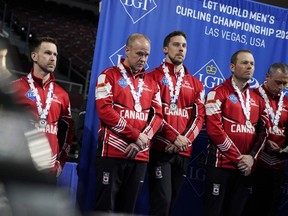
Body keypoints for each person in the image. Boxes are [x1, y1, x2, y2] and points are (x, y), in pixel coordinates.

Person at [94, 33, 163, 214]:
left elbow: (158, 117)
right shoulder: (108, 76)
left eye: (147, 55)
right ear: (127, 50)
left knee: (127, 210)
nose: (143, 59)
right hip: (111, 152)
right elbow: (105, 111)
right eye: (139, 53)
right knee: (104, 209)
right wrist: (136, 135)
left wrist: (142, 139)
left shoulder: (152, 82)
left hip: (139, 155)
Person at [202, 50, 268, 216]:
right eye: (245, 63)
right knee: (213, 212)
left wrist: (251, 158)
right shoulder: (217, 92)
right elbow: (214, 130)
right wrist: (239, 159)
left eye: (252, 64)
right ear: (232, 66)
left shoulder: (257, 99)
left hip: (245, 168)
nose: (249, 67)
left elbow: (263, 132)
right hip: (221, 165)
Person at [147, 30, 205, 216]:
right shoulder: (152, 77)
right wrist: (172, 139)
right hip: (160, 149)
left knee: (171, 203)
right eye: (176, 44)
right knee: (161, 202)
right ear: (165, 49)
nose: (181, 48)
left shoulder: (196, 84)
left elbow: (199, 118)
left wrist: (183, 141)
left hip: (183, 152)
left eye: (184, 46)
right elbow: (151, 114)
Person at [11, 36, 75, 178]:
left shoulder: (62, 95)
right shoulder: (15, 88)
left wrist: (60, 161)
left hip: (48, 170)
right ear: (34, 56)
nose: (53, 58)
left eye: (55, 54)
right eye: (47, 53)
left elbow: (68, 131)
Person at [251, 63, 288, 216]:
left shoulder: (286, 102)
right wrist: (263, 143)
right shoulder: (251, 96)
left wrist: (283, 151)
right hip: (253, 165)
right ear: (267, 76)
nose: (281, 87)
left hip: (277, 167)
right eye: (278, 82)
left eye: (285, 83)